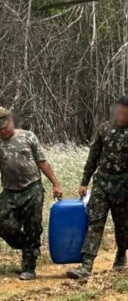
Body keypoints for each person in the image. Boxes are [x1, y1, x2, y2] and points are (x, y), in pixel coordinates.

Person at [67, 96, 128, 279]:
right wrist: (84, 181)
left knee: (122, 224)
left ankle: (122, 252)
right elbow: (93, 156)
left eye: (126, 113)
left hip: (122, 185)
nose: (122, 116)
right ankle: (86, 265)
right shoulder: (104, 128)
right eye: (119, 112)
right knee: (95, 221)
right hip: (101, 182)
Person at [0, 108, 62, 280]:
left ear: (10, 122)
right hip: (10, 191)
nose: (2, 131)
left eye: (4, 127)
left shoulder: (28, 136)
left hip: (32, 189)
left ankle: (29, 267)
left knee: (32, 227)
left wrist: (55, 184)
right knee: (3, 222)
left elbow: (42, 162)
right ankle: (26, 245)